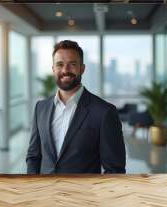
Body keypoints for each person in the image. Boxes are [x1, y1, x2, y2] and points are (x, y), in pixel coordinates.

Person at [26, 40, 126, 174]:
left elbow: (115, 170)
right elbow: (33, 156)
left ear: (82, 68)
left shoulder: (104, 112)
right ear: (53, 69)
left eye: (72, 64)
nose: (65, 70)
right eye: (60, 64)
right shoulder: (40, 108)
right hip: (44, 193)